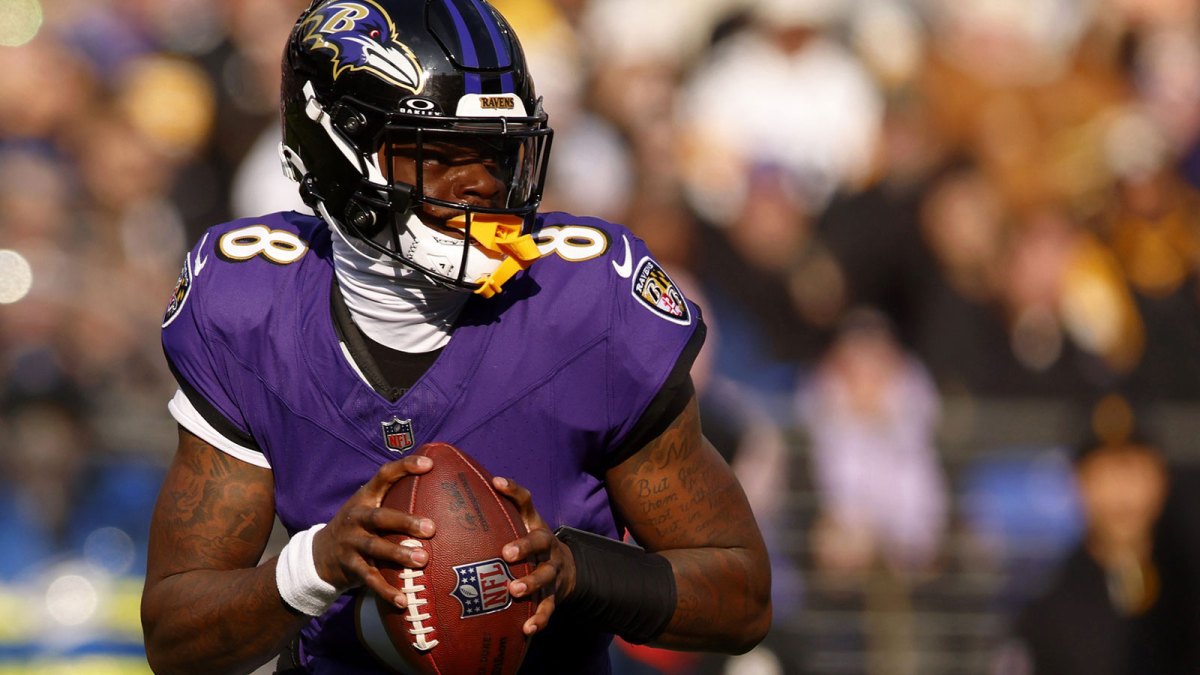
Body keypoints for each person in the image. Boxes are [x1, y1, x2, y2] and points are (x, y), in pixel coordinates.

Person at [139, 1, 772, 674]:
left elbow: (743, 596)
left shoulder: (583, 306)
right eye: (442, 154)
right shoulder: (253, 309)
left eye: (499, 154)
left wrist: (574, 567)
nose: (485, 184)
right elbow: (176, 637)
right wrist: (314, 565)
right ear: (341, 152)